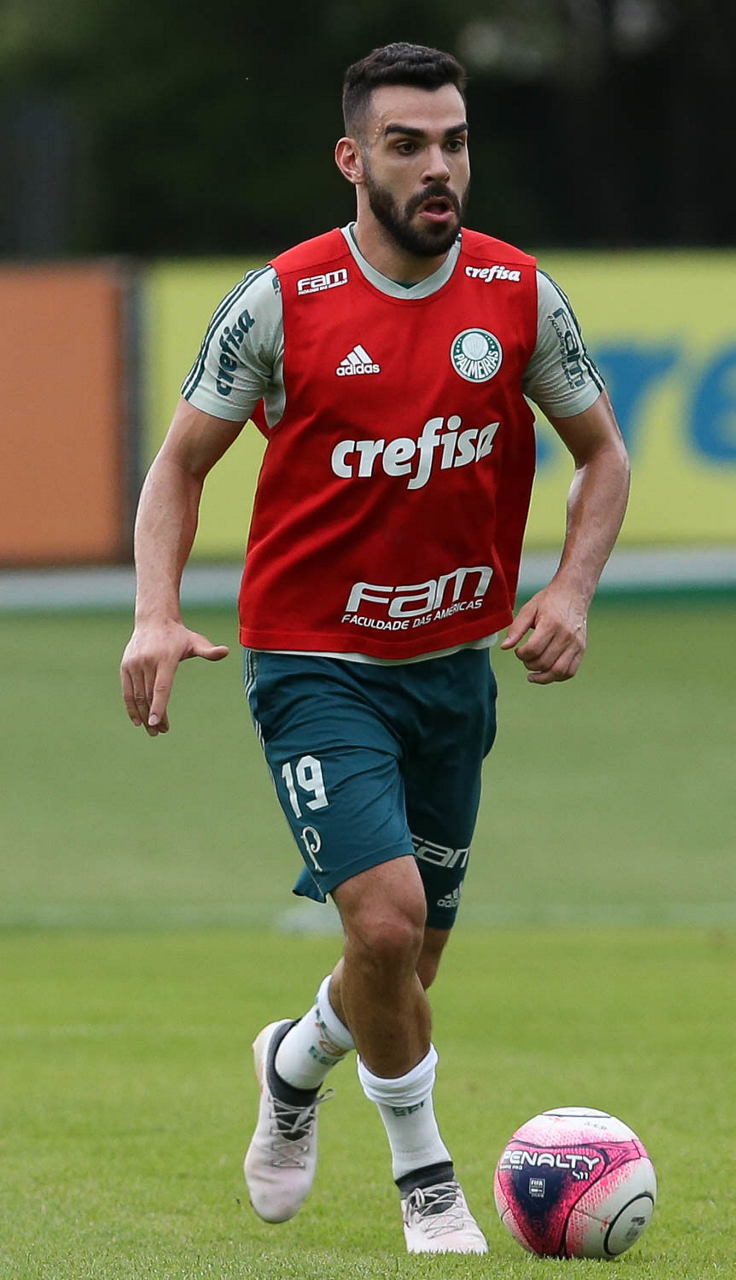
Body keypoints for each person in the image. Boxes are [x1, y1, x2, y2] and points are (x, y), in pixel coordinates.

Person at [120, 42, 630, 1255]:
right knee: (387, 924)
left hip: (452, 672)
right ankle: (427, 1183)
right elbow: (179, 464)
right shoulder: (282, 301)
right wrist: (153, 609)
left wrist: (570, 587)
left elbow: (601, 455)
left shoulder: (518, 294)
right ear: (353, 159)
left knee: (405, 966)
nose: (436, 164)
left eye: (453, 141)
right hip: (313, 666)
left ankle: (293, 1061)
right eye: (407, 144)